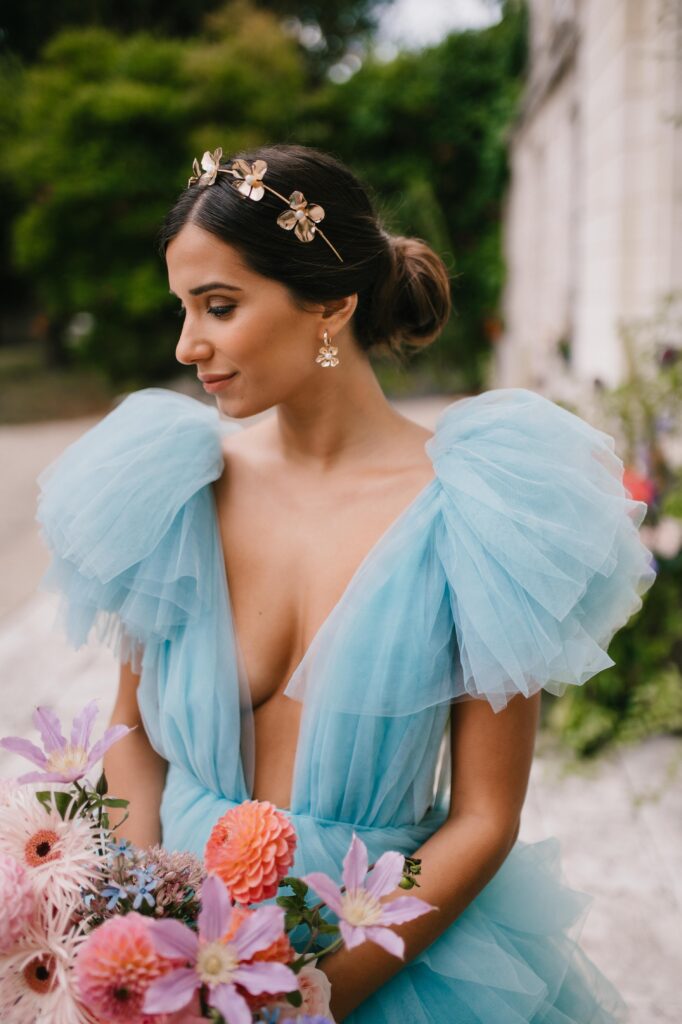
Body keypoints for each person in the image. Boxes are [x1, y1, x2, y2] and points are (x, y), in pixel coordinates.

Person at [35, 143, 656, 1023]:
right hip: (173, 961)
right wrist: (145, 930)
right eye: (184, 309)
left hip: (380, 955)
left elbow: (484, 817)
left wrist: (306, 999)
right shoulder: (173, 488)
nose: (187, 345)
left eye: (219, 306)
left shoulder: (477, 510)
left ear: (329, 304)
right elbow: (131, 735)